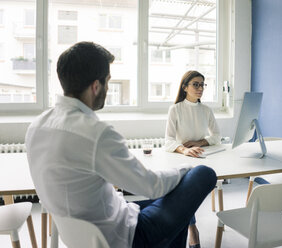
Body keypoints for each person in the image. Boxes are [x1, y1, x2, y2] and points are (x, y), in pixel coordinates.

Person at [25, 42, 217, 248]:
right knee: (203, 174)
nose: (108, 88)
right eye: (108, 82)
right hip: (124, 237)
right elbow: (152, 186)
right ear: (96, 86)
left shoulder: (37, 126)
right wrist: (186, 171)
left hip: (85, 234)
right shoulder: (95, 132)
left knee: (179, 209)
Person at [164, 70, 221, 247]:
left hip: (203, 158)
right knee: (186, 191)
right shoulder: (175, 109)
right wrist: (183, 150)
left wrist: (199, 142)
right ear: (185, 87)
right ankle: (192, 228)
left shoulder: (206, 110)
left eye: (202, 84)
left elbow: (217, 136)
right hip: (182, 160)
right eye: (195, 84)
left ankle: (190, 227)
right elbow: (168, 141)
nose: (200, 88)